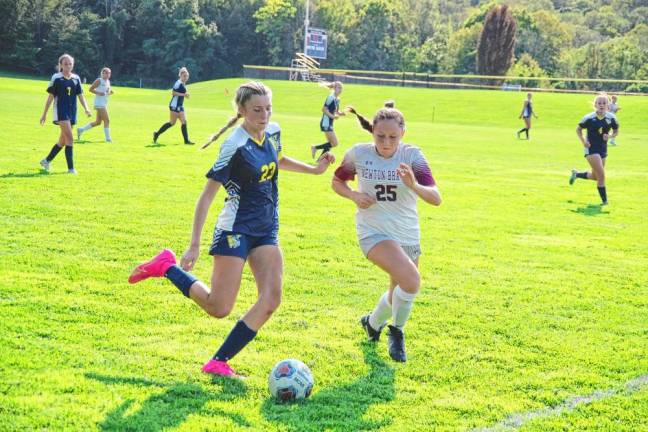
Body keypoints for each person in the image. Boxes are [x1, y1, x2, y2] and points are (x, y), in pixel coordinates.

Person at [129, 81, 335, 377]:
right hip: (235, 229)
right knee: (219, 307)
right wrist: (194, 244)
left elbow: (277, 159)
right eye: (256, 110)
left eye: (268, 109)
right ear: (241, 110)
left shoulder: (273, 132)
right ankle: (167, 267)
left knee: (271, 298)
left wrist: (315, 170)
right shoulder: (234, 145)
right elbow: (207, 196)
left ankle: (218, 361)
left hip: (266, 229)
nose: (264, 115)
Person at [331, 104, 442, 362]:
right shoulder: (359, 154)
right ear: (372, 131)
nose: (386, 142)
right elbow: (337, 181)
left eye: (393, 136)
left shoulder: (412, 156)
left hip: (407, 234)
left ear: (403, 133)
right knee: (412, 281)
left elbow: (436, 198)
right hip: (374, 232)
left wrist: (413, 184)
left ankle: (372, 323)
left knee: (397, 291)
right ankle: (397, 332)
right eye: (380, 136)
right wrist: (354, 195)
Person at [39, 53, 91, 174]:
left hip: (72, 112)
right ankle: (71, 169)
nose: (68, 66)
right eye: (65, 63)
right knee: (70, 138)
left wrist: (86, 108)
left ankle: (46, 160)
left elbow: (80, 95)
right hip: (61, 111)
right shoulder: (56, 78)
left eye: (70, 64)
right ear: (61, 65)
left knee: (62, 141)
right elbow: (50, 97)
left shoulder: (76, 78)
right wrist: (44, 114)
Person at [569, 93, 619, 205]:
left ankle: (576, 174)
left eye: (604, 103)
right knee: (602, 175)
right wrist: (583, 141)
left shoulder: (611, 118)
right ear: (595, 105)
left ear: (608, 105)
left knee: (595, 177)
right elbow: (578, 130)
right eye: (599, 103)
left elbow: (616, 131)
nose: (602, 105)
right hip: (591, 149)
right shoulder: (589, 118)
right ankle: (605, 201)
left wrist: (610, 136)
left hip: (603, 149)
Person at [152, 67, 194, 145]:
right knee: (172, 123)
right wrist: (184, 94)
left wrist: (185, 95)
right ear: (180, 75)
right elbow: (173, 93)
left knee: (184, 122)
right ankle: (156, 134)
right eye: (184, 76)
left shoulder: (183, 83)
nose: (186, 78)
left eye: (187, 76)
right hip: (174, 106)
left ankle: (186, 141)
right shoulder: (178, 83)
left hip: (180, 106)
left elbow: (181, 93)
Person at [77, 67, 114, 142]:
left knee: (98, 122)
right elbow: (90, 89)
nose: (108, 74)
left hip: (104, 103)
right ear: (102, 73)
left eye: (109, 73)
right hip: (99, 103)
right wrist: (98, 93)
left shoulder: (108, 82)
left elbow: (105, 93)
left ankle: (81, 129)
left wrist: (110, 93)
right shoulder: (99, 80)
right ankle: (108, 139)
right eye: (106, 73)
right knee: (107, 120)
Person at [311, 81, 345, 159]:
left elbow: (336, 111)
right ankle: (315, 147)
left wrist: (341, 113)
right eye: (339, 88)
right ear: (334, 88)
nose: (340, 90)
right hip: (325, 123)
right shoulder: (331, 97)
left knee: (330, 143)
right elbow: (324, 109)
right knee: (335, 143)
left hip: (330, 123)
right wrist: (333, 117)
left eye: (341, 88)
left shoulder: (337, 99)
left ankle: (319, 160)